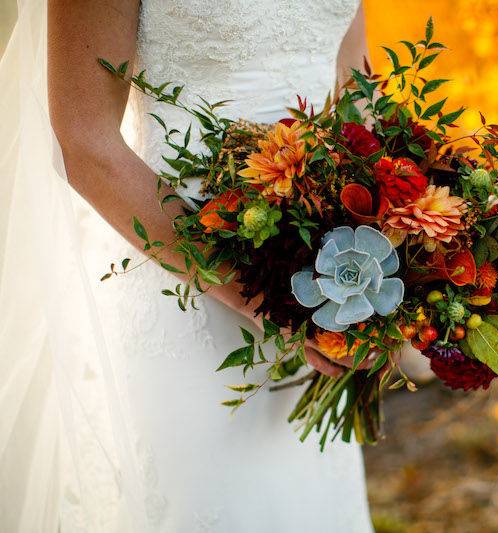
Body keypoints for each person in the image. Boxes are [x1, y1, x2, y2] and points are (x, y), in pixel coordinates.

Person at [1, 0, 374, 530]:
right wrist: (270, 298)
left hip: (327, 285)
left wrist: (394, 255)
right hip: (183, 290)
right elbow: (84, 141)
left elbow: (355, 91)